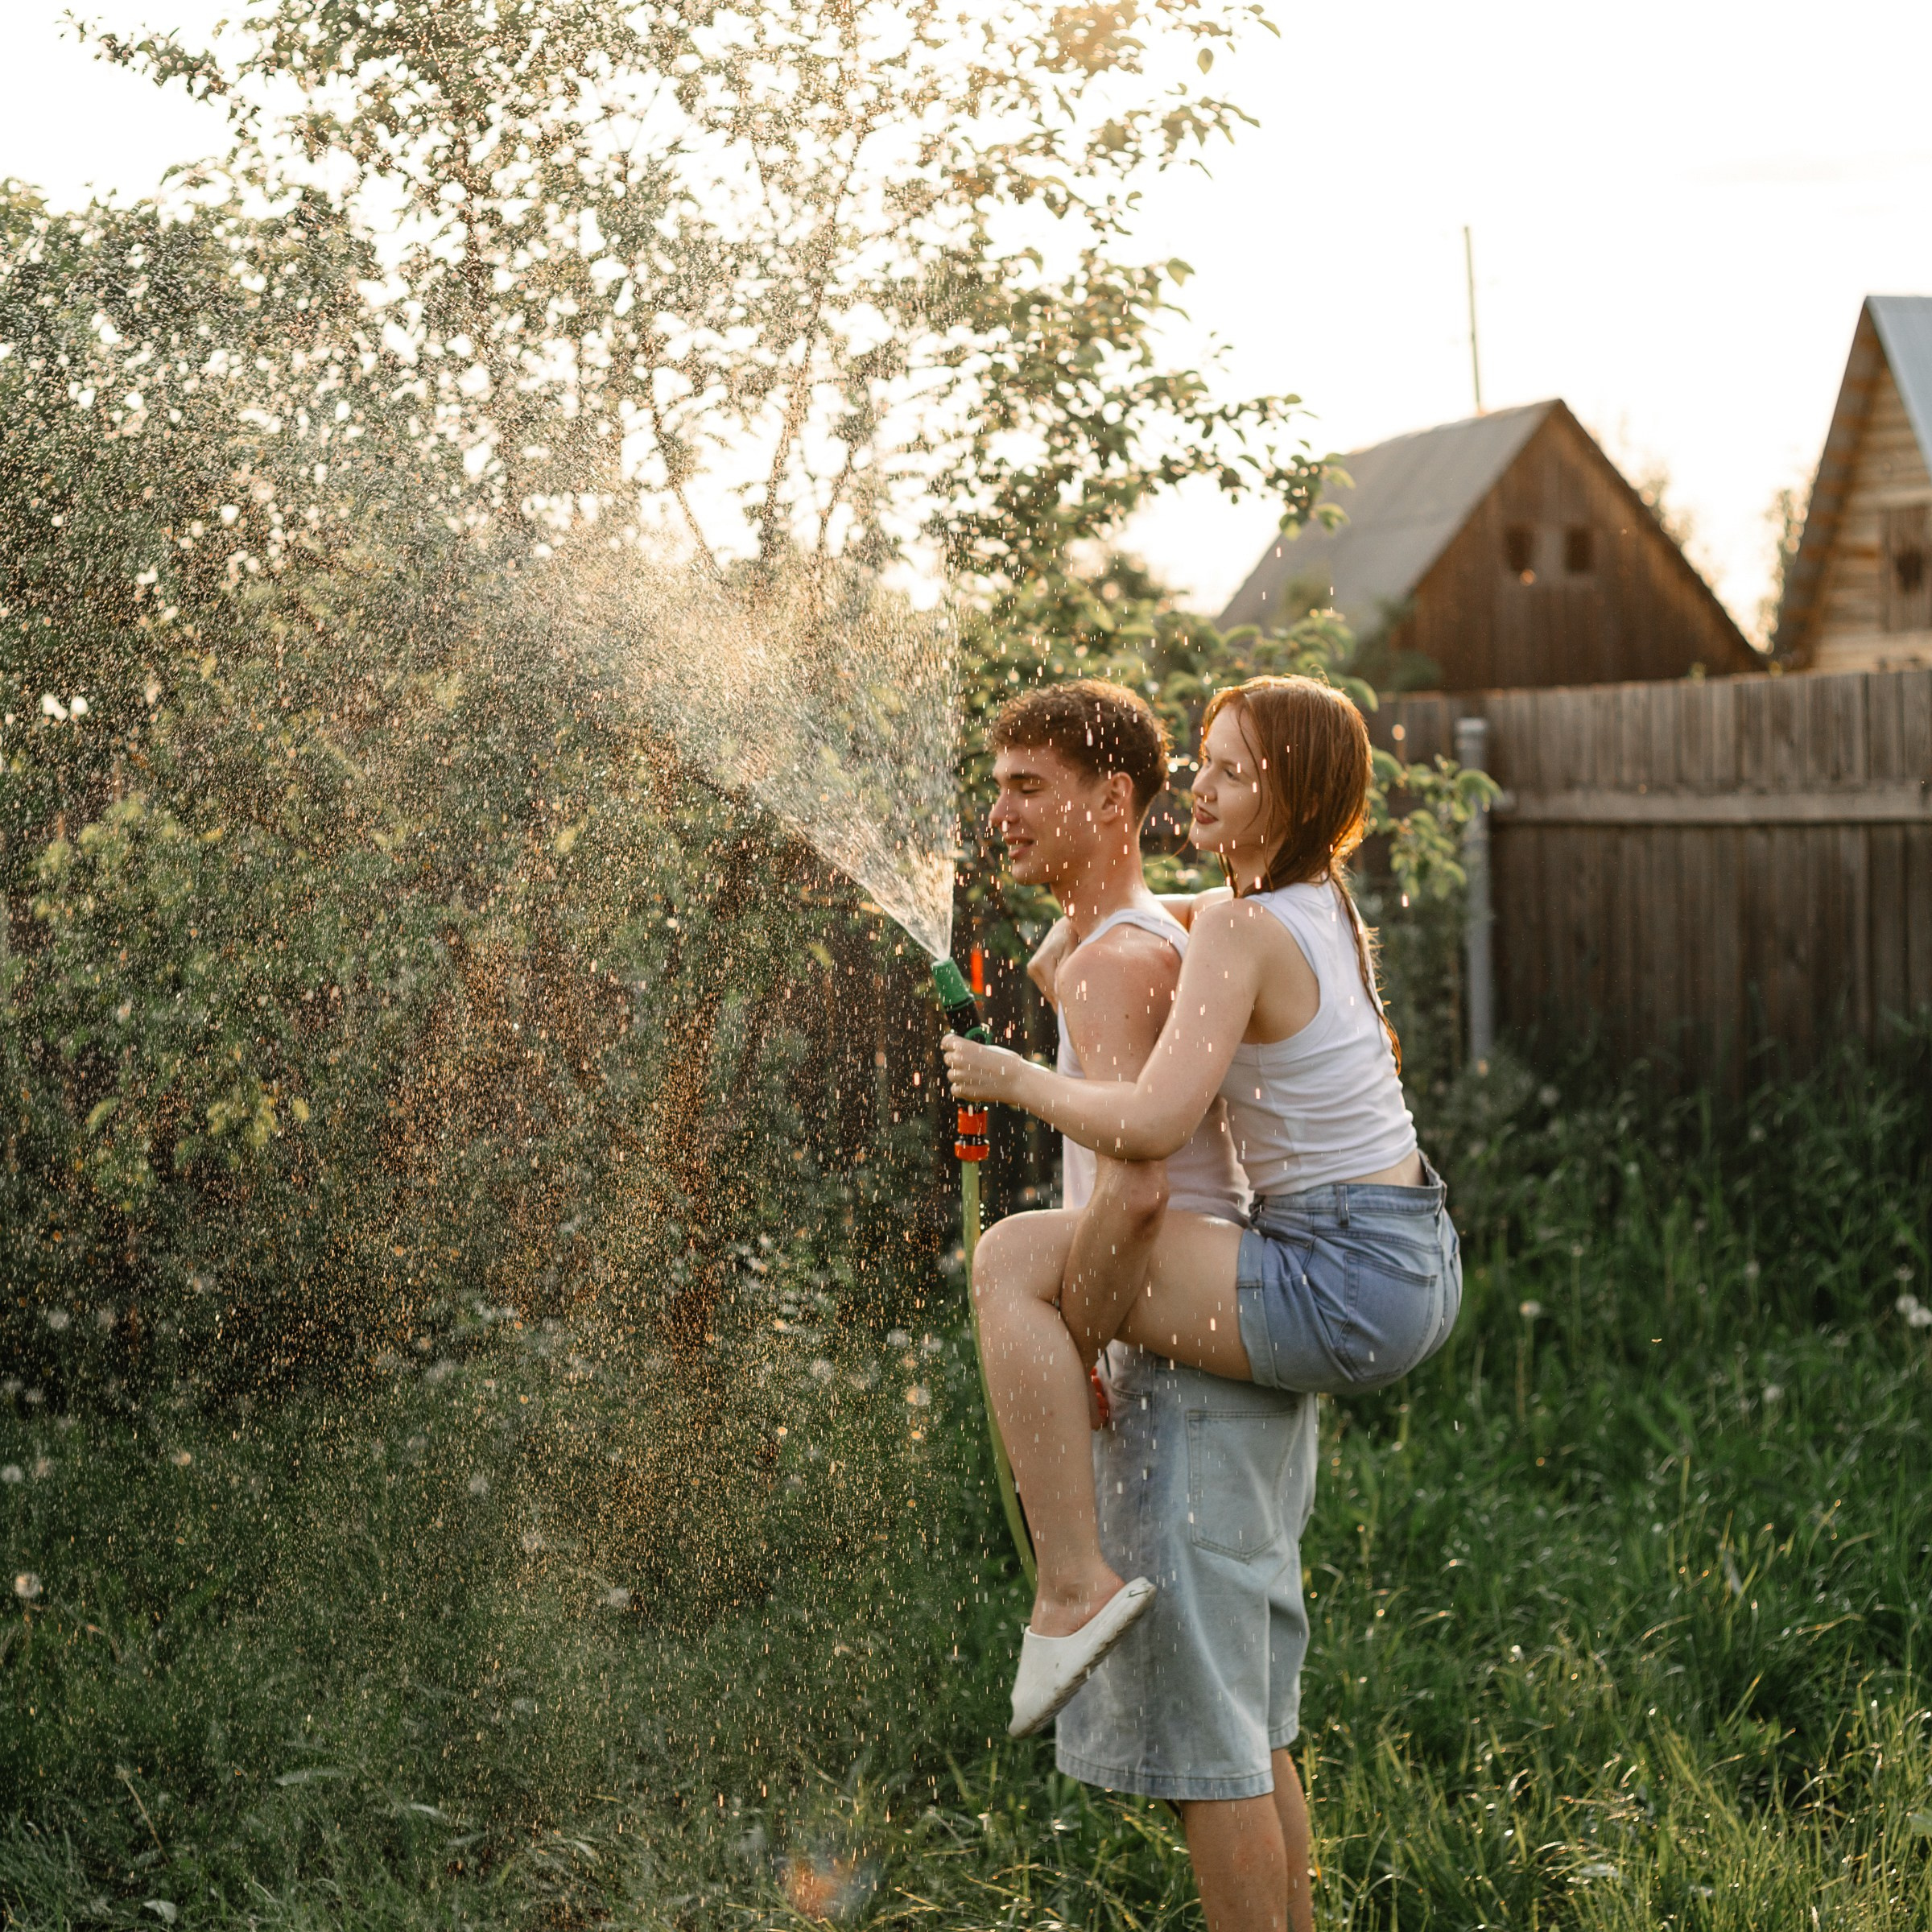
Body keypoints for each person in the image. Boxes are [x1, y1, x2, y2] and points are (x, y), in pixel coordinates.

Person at [948, 675, 1463, 1930]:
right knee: (1251, 1730)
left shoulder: (1201, 941)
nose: (1203, 789)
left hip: (1329, 1278)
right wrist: (1093, 922)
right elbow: (1181, 925)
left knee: (1015, 1260)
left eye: (1229, 773)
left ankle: (1068, 1585)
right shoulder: (1284, 906)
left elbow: (1137, 1181)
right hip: (1399, 1251)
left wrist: (1014, 1080)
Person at [977, 679, 1323, 1932]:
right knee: (1250, 1726)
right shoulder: (1140, 940)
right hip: (1240, 1365)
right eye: (998, 784)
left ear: (1110, 800)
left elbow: (1128, 1199)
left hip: (1183, 1386)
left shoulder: (1116, 963)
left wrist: (1078, 1328)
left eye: (1030, 787)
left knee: (1207, 1757)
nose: (998, 812)